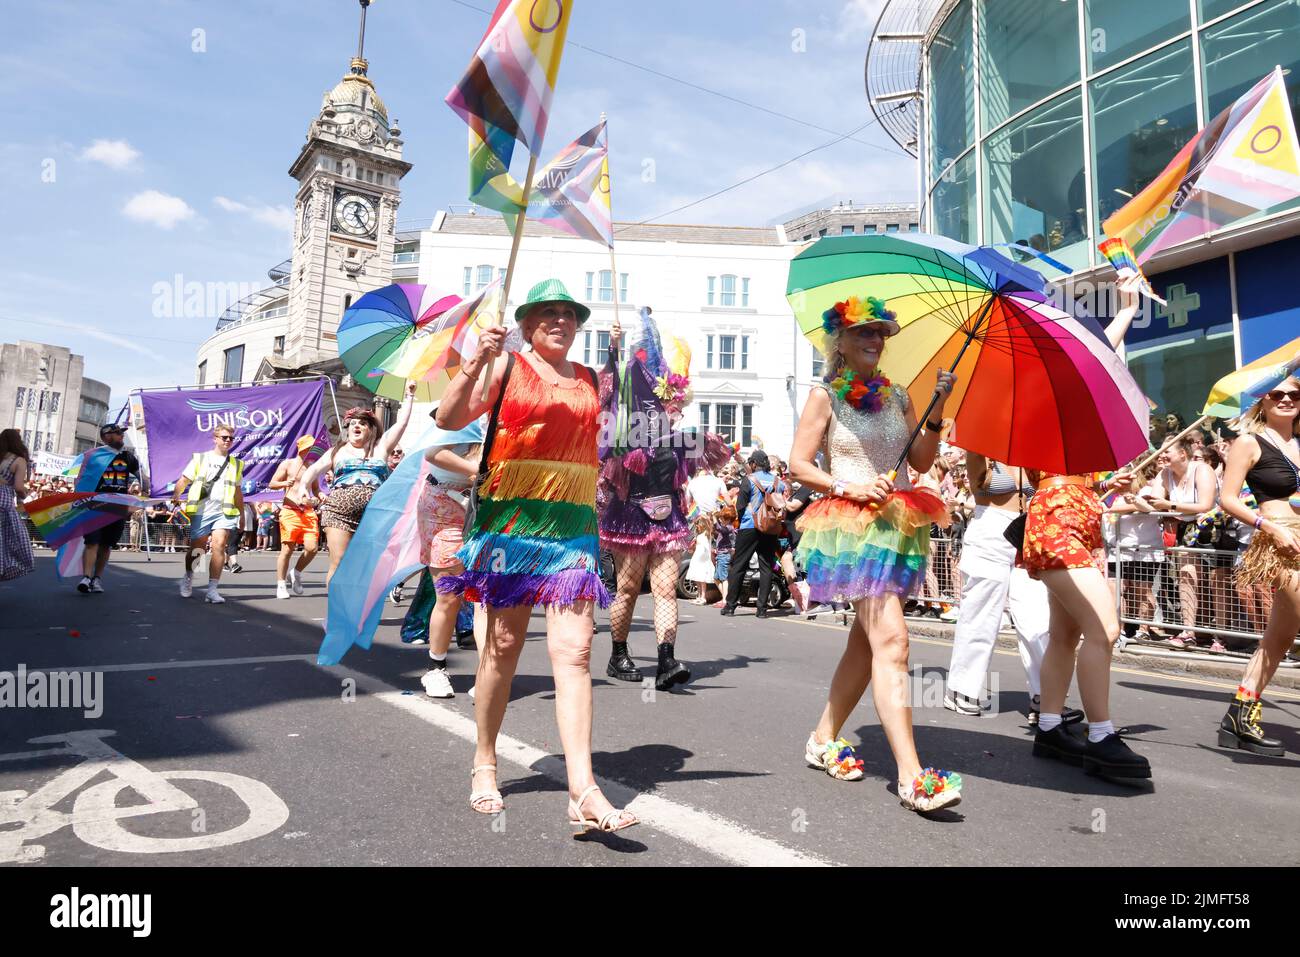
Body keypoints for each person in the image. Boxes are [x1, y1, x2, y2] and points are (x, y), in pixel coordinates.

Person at [435, 278, 635, 833]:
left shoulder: (593, 379)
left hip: (572, 529)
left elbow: (619, 440)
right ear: (526, 324)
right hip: (513, 528)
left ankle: (584, 790)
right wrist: (477, 358)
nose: (559, 321)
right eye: (547, 313)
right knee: (502, 648)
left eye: (568, 314)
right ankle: (484, 759)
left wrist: (639, 378)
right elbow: (448, 420)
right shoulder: (505, 366)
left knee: (574, 656)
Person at [788, 293, 963, 814]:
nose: (874, 339)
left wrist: (936, 410)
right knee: (893, 642)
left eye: (881, 332)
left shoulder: (902, 394)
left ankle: (822, 738)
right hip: (851, 527)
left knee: (864, 647)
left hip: (898, 526)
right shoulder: (826, 394)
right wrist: (845, 485)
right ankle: (911, 777)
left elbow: (924, 462)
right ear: (839, 340)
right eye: (863, 330)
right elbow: (799, 464)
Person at [1027, 274, 1147, 781]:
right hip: (1056, 518)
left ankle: (1051, 727)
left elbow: (1105, 348)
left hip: (1078, 515)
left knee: (1066, 633)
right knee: (1105, 629)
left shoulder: (1070, 388)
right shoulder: (1040, 390)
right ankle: (1100, 735)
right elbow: (1098, 353)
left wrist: (1127, 305)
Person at [598, 309, 735, 688]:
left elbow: (718, 455)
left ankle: (666, 662)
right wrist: (613, 351)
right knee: (627, 587)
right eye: (665, 405)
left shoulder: (680, 441)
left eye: (674, 406)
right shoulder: (624, 439)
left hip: (669, 520)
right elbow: (609, 396)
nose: (671, 410)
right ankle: (618, 654)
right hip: (630, 517)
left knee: (664, 592)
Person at [943, 453, 1083, 725]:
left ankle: (1046, 696)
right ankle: (962, 689)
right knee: (981, 616)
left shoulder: (1031, 449)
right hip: (989, 532)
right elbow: (979, 483)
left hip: (1027, 531)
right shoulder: (980, 447)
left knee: (1036, 619)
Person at [1216, 375, 1300, 755]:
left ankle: (1239, 714)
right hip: (1281, 542)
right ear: (1262, 401)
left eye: (1294, 394)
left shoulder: (1298, 442)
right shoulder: (1249, 442)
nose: (1286, 399)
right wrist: (1268, 526)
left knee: (1279, 638)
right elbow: (1227, 499)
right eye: (1276, 394)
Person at [296, 382, 416, 586]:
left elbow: (401, 425)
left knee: (366, 566)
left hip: (373, 516)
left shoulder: (381, 448)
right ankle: (335, 614)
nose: (356, 426)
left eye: (362, 423)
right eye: (353, 423)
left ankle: (356, 612)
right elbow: (313, 470)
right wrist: (302, 487)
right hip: (338, 513)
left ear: (371, 429)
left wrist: (409, 396)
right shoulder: (337, 451)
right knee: (339, 562)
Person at [415, 416, 483, 699]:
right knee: (451, 594)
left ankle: (489, 673)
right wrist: (478, 470)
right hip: (444, 504)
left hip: (485, 504)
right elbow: (434, 453)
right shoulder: (469, 411)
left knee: (485, 595)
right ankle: (436, 668)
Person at [1147, 436, 1216, 648]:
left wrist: (1169, 504)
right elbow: (1154, 502)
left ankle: (1215, 634)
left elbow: (1205, 504)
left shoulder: (1202, 470)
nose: (1162, 455)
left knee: (1213, 583)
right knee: (1186, 577)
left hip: (1212, 529)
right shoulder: (1164, 473)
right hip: (1186, 529)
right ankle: (1189, 631)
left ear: (1182, 454)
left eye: (1167, 451)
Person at [171, 424, 245, 603]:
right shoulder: (201, 458)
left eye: (231, 438)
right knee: (198, 549)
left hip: (224, 511)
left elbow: (237, 491)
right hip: (202, 511)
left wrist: (241, 514)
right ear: (215, 439)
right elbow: (184, 479)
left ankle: (212, 590)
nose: (228, 441)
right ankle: (189, 576)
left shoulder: (236, 463)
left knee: (219, 545)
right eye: (224, 437)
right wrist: (176, 496)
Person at [720, 450, 788, 618]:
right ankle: (762, 609)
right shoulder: (778, 482)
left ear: (753, 464)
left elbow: (740, 506)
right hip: (770, 528)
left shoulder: (749, 480)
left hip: (750, 526)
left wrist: (745, 520)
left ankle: (730, 606)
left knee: (739, 565)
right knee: (766, 567)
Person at [77, 423, 141, 594]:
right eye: (119, 433)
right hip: (94, 505)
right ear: (107, 436)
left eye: (122, 433)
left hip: (117, 506)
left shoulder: (128, 456)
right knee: (92, 542)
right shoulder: (91, 455)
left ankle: (97, 579)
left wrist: (148, 488)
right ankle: (86, 577)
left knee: (106, 545)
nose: (122, 436)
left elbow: (142, 476)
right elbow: (80, 479)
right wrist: (79, 500)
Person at [268, 436, 323, 599]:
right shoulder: (288, 464)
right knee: (287, 549)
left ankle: (296, 572)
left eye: (311, 448)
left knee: (312, 548)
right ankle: (281, 584)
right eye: (307, 447)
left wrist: (320, 497)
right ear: (300, 448)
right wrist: (285, 483)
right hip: (290, 510)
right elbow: (272, 483)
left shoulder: (313, 467)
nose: (310, 451)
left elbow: (316, 489)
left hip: (307, 512)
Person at [0, 429, 33, 582]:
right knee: (7, 543)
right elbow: (19, 487)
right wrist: (24, 495)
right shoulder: (18, 460)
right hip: (3, 504)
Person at [686, 513, 716, 605]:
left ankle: (703, 597)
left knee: (702, 578)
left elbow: (711, 525)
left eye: (698, 524)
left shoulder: (707, 533)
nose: (697, 526)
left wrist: (704, 517)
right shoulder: (698, 535)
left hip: (703, 559)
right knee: (697, 578)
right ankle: (699, 596)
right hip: (697, 557)